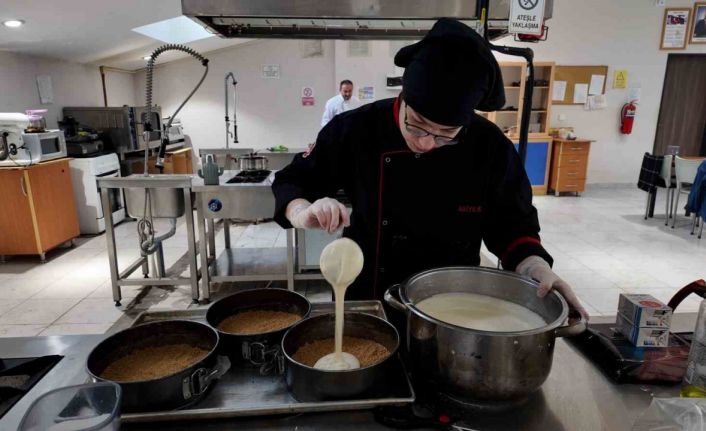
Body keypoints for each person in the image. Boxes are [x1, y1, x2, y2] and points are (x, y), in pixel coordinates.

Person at [273, 18, 588, 320]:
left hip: (453, 304)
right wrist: (302, 210)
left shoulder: (489, 146)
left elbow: (512, 225)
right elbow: (294, 180)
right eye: (418, 125)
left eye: (445, 134)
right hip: (368, 296)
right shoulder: (356, 129)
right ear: (404, 98)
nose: (425, 143)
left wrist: (536, 268)